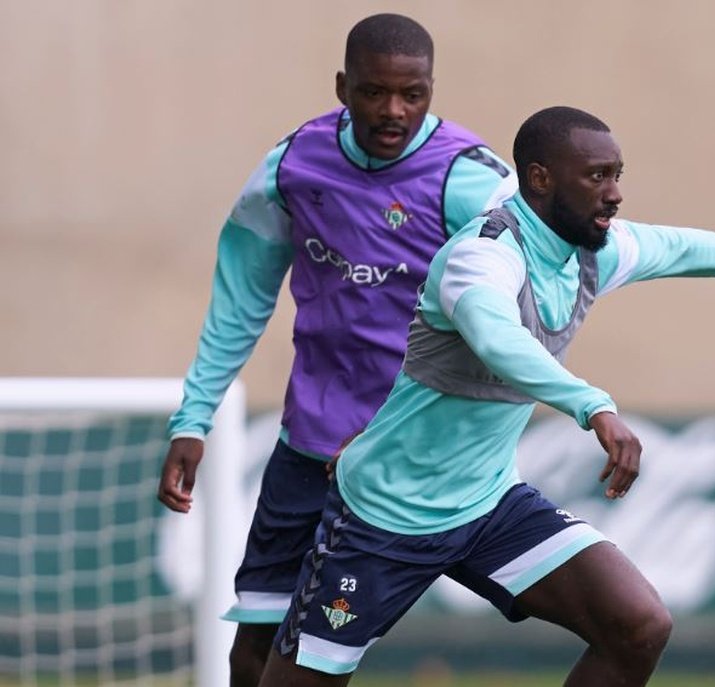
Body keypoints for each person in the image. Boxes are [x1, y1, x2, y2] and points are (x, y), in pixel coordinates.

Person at [257, 106, 715, 686]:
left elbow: (678, 247)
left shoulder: (592, 251)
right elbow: (498, 338)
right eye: (598, 176)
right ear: (541, 179)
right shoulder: (481, 256)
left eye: (617, 175)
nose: (616, 192)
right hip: (383, 516)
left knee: (637, 625)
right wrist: (592, 404)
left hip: (487, 506)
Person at [155, 13, 517, 686]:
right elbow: (240, 298)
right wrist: (193, 416)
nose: (394, 111)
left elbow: (525, 311)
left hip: (415, 463)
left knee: (625, 619)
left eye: (413, 94)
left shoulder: (474, 182)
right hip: (309, 451)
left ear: (433, 89)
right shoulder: (294, 165)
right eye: (375, 92)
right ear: (342, 87)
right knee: (256, 653)